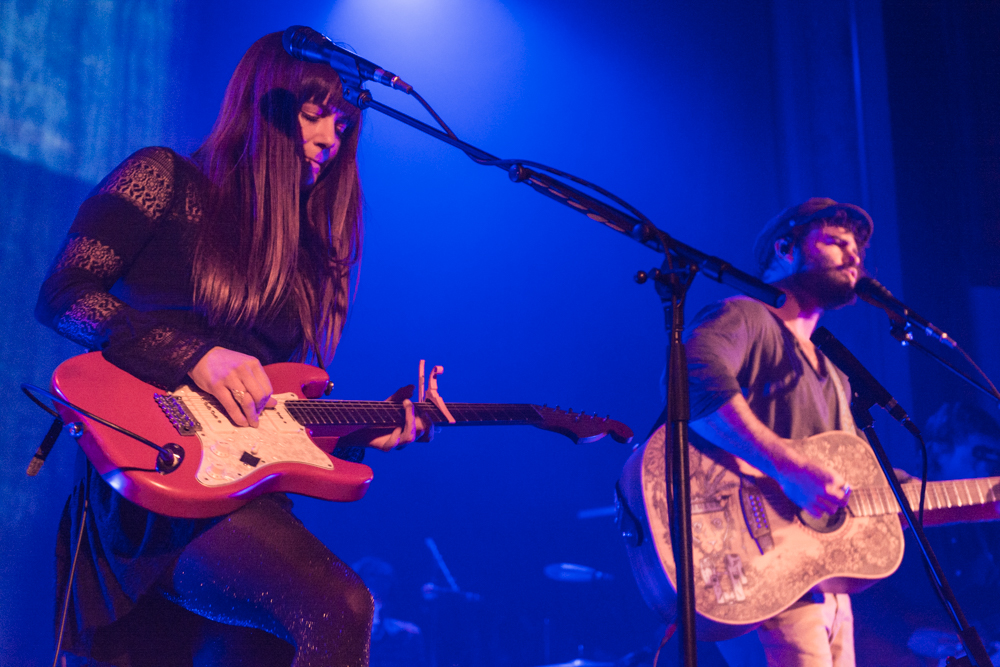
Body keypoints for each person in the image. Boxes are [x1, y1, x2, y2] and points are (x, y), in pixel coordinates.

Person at [36, 31, 427, 667]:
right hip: (151, 487)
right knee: (341, 606)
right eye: (313, 114)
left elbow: (272, 407)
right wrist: (192, 355)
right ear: (264, 105)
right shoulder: (164, 177)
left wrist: (364, 429)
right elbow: (63, 294)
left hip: (246, 496)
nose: (331, 139)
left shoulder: (306, 256)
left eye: (344, 124)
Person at [682, 197, 873, 667]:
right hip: (756, 566)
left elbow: (866, 487)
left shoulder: (836, 375)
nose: (854, 257)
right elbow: (692, 379)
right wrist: (788, 466)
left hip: (823, 584)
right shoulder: (745, 316)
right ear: (786, 248)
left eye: (857, 250)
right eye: (835, 242)